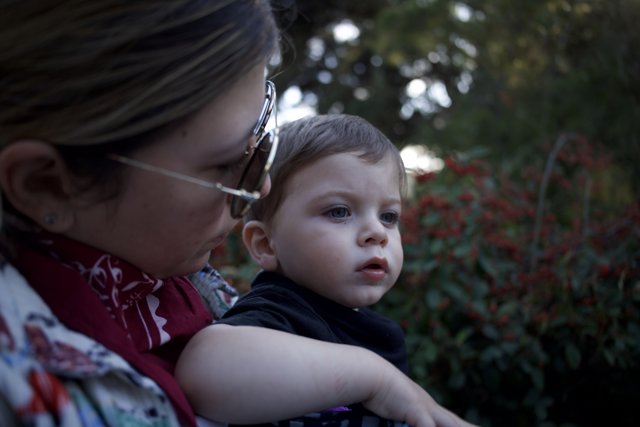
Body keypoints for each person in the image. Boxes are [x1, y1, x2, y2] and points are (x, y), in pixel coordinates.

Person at [0, 1, 476, 426]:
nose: (260, 185)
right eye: (229, 163)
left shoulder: (174, 281)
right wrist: (375, 377)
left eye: (260, 145)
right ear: (48, 185)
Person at [215, 113, 412, 426]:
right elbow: (210, 367)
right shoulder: (280, 312)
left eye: (388, 216)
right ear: (266, 244)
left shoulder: (376, 330)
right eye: (338, 211)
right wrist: (372, 376)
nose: (378, 232)